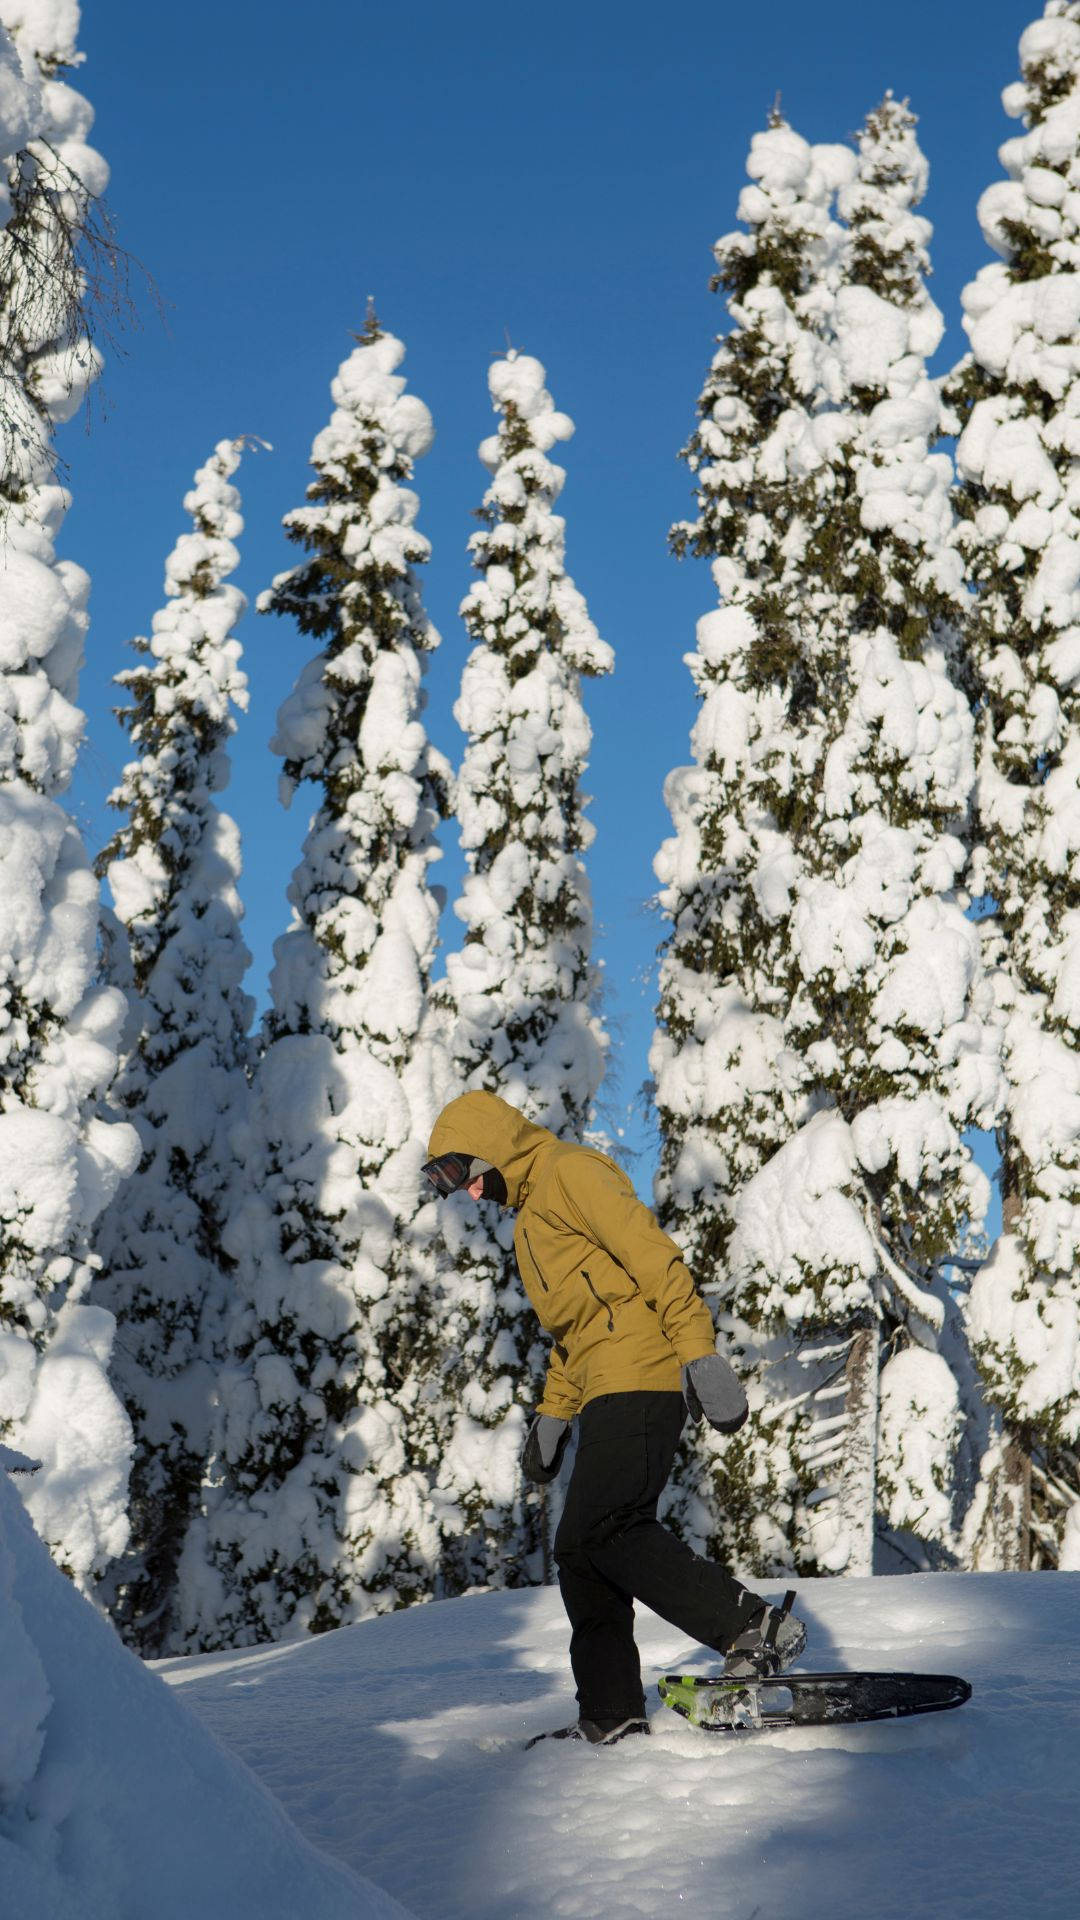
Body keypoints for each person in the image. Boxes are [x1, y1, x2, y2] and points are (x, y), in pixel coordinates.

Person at [423, 1089, 807, 1747]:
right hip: (604, 1385)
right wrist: (552, 1416)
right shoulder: (528, 1226)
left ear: (492, 1142)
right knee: (578, 1549)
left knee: (608, 1526)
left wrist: (698, 1352)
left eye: (468, 1173)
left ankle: (753, 1626)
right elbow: (575, 1333)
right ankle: (610, 1713)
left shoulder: (574, 1172)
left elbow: (652, 1258)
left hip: (647, 1371)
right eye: (455, 1187)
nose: (472, 1194)